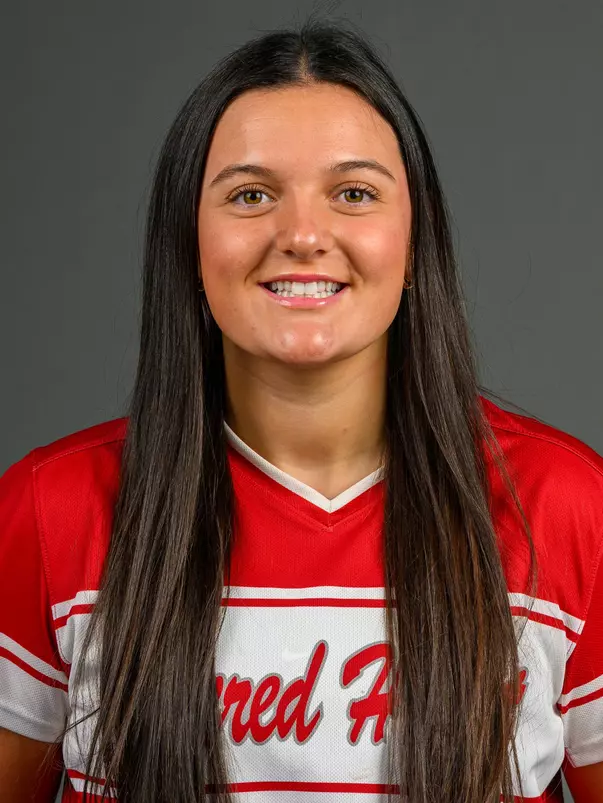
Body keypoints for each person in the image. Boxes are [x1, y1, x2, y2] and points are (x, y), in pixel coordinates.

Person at [0, 18, 602, 803]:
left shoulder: (563, 507)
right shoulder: (50, 511)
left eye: (353, 193)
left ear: (413, 241)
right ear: (188, 241)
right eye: (251, 195)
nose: (304, 235)